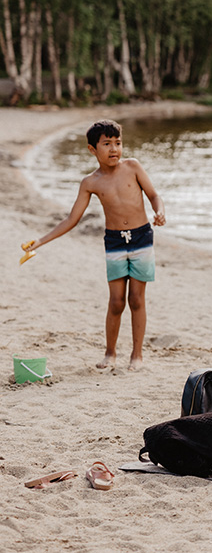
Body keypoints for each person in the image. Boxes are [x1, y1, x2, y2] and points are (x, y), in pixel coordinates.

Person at [24, 119, 165, 370]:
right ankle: (110, 353)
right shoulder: (91, 182)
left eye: (118, 143)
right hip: (114, 242)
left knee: (136, 299)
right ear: (92, 150)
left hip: (142, 237)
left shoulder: (133, 167)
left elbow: (153, 195)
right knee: (117, 301)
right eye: (107, 144)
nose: (114, 149)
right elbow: (72, 219)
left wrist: (160, 211)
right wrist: (41, 241)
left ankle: (137, 356)